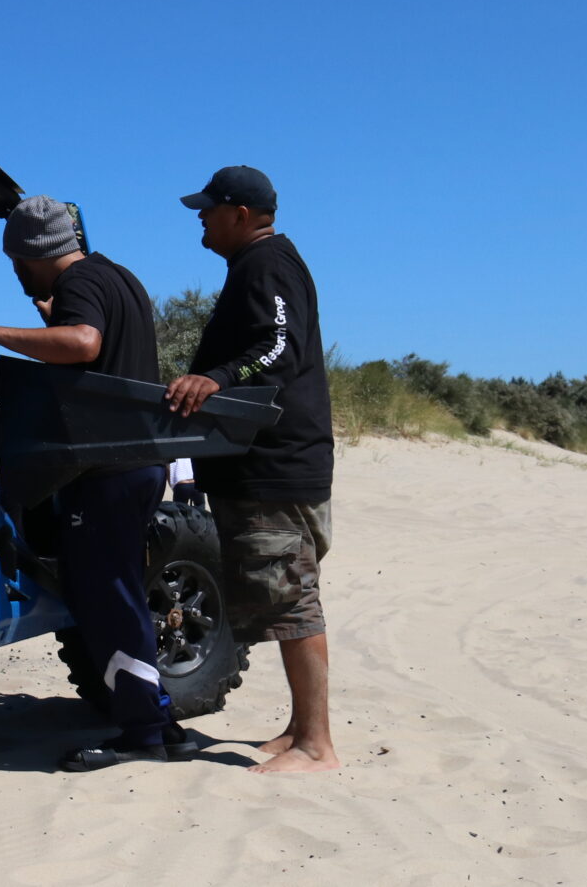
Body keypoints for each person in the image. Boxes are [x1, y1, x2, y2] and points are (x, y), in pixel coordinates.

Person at [0, 195, 195, 770]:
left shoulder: (78, 284)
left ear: (31, 253)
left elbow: (86, 342)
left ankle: (144, 732)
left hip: (106, 468)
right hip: (140, 461)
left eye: (15, 260)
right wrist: (51, 322)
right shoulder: (119, 277)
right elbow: (102, 348)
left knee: (106, 596)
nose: (14, 271)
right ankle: (161, 723)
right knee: (119, 590)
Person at [165, 166, 339, 774]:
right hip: (270, 466)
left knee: (294, 601)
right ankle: (299, 729)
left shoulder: (268, 265)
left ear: (241, 213)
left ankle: (317, 745)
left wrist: (217, 378)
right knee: (286, 595)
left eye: (209, 209)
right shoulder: (259, 266)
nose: (200, 218)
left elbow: (277, 347)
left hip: (277, 467)